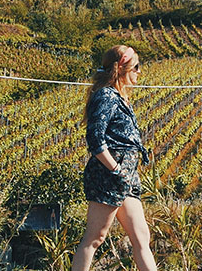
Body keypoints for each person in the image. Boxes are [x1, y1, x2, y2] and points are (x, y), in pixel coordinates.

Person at [72, 45, 156, 271]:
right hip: (109, 174)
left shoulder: (120, 97)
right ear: (121, 68)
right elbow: (95, 138)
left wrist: (124, 172)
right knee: (95, 238)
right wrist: (115, 169)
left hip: (126, 175)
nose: (139, 71)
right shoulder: (106, 96)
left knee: (141, 237)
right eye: (136, 66)